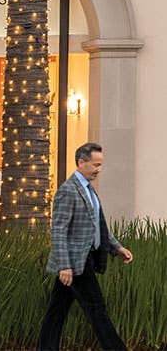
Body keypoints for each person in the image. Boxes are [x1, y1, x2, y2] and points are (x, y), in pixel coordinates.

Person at [37, 142, 133, 350]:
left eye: (101, 164)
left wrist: (117, 247)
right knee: (97, 309)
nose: (100, 169)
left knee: (57, 310)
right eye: (96, 165)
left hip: (83, 260)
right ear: (81, 162)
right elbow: (59, 230)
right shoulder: (68, 191)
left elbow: (98, 225)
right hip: (76, 262)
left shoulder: (88, 189)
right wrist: (64, 265)